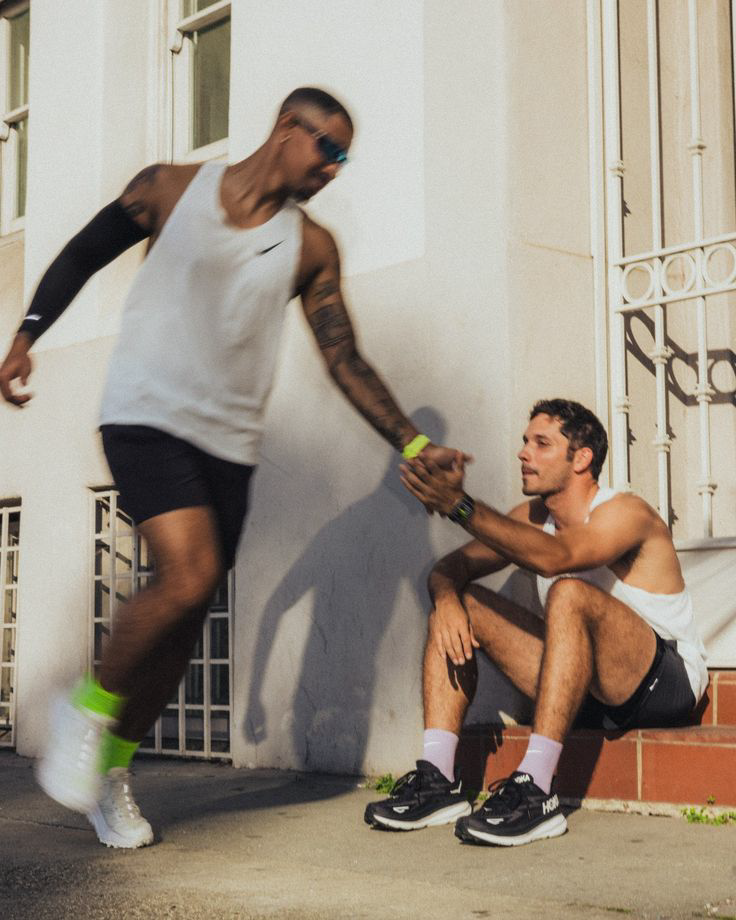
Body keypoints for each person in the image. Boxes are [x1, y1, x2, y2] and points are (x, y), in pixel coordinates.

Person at [0, 87, 465, 849]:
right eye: (330, 150)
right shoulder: (168, 189)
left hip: (230, 446)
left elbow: (343, 356)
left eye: (344, 159)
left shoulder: (311, 247)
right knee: (188, 574)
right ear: (287, 128)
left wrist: (414, 444)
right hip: (145, 415)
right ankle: (82, 712)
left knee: (188, 614)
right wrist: (26, 338)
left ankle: (111, 769)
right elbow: (83, 252)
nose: (335, 169)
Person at [365, 398, 707, 846]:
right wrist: (446, 598)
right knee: (462, 600)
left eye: (541, 444)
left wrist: (460, 506)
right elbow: (449, 568)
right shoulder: (532, 519)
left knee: (569, 592)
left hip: (662, 683)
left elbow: (557, 558)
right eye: (525, 442)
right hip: (585, 690)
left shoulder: (625, 512)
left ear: (581, 458)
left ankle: (538, 792)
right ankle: (437, 780)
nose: (523, 453)